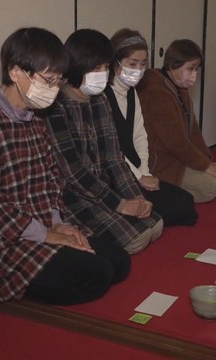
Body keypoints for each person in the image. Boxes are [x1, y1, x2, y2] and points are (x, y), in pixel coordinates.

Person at [0, 28, 130, 305]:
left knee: (118, 261)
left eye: (58, 81)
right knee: (97, 274)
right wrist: (45, 235)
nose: (53, 89)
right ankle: (18, 281)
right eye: (48, 80)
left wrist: (57, 224)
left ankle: (43, 269)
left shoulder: (35, 119)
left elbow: (51, 181)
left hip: (37, 225)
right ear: (15, 71)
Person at [44, 29, 163, 254]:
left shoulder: (99, 101)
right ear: (77, 66)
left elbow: (114, 156)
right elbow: (74, 173)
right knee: (136, 240)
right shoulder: (56, 108)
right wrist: (120, 204)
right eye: (96, 68)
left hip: (104, 189)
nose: (103, 73)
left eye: (106, 67)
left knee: (155, 224)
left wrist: (135, 196)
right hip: (73, 196)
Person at [104, 28, 198, 226]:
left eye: (143, 64)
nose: (138, 69)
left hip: (138, 168)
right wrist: (138, 178)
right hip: (116, 173)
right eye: (132, 64)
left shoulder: (131, 92)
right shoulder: (103, 96)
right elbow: (111, 150)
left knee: (185, 203)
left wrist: (145, 172)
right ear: (115, 62)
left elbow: (140, 135)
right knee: (168, 211)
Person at [136, 39, 216, 203]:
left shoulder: (178, 86)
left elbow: (193, 129)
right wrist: (205, 166)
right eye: (190, 68)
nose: (194, 74)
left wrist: (207, 160)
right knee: (211, 186)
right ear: (172, 65)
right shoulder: (156, 91)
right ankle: (167, 194)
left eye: (196, 68)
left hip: (178, 157)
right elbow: (175, 142)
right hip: (163, 163)